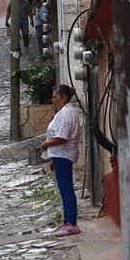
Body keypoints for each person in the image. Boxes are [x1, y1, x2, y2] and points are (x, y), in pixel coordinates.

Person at [40, 84, 82, 237]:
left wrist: (46, 144)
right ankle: (67, 221)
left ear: (63, 97)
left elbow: (62, 137)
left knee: (66, 189)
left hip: (64, 155)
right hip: (60, 155)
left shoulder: (67, 114)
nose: (53, 100)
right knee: (64, 190)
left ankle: (71, 223)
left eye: (55, 96)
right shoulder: (64, 112)